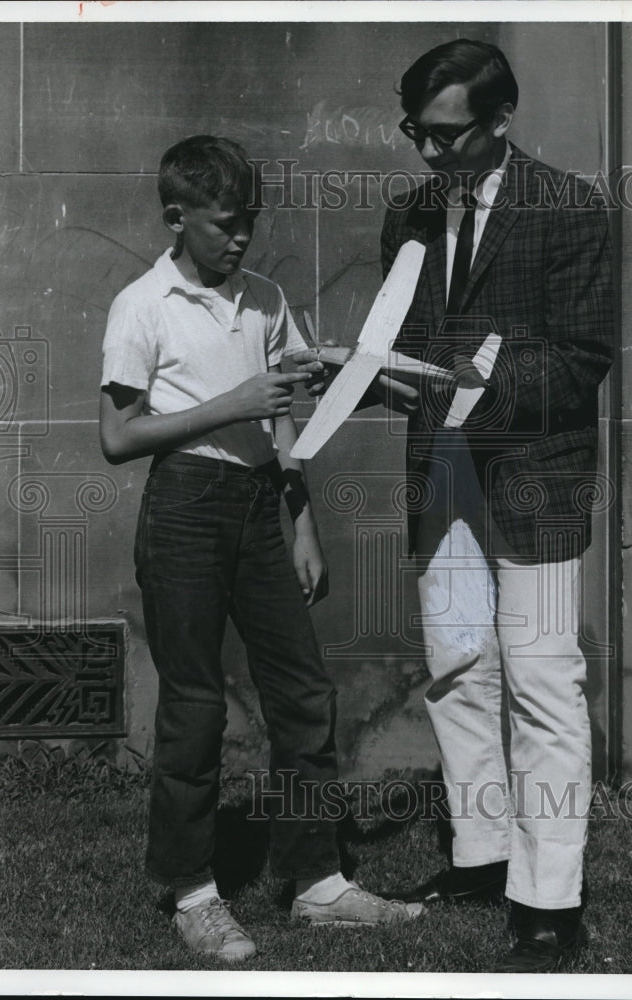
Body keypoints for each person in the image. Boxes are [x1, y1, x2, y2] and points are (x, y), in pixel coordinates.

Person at [98, 135, 422, 964]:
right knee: (196, 704)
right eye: (223, 224)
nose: (239, 238)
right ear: (177, 218)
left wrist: (301, 519)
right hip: (183, 506)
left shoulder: (268, 298)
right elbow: (118, 437)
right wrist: (230, 401)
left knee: (306, 694)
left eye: (249, 222)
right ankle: (192, 891)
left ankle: (316, 882)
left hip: (256, 509)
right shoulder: (143, 304)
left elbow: (283, 420)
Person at [371, 40, 614, 971]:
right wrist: (372, 376)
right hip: (444, 474)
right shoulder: (411, 216)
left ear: (500, 119)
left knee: (546, 681)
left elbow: (580, 360)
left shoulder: (573, 209)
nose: (429, 156)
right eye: (417, 136)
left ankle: (550, 901)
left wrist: (465, 383)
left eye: (447, 136)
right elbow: (397, 339)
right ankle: (482, 854)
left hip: (536, 479)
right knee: (455, 666)